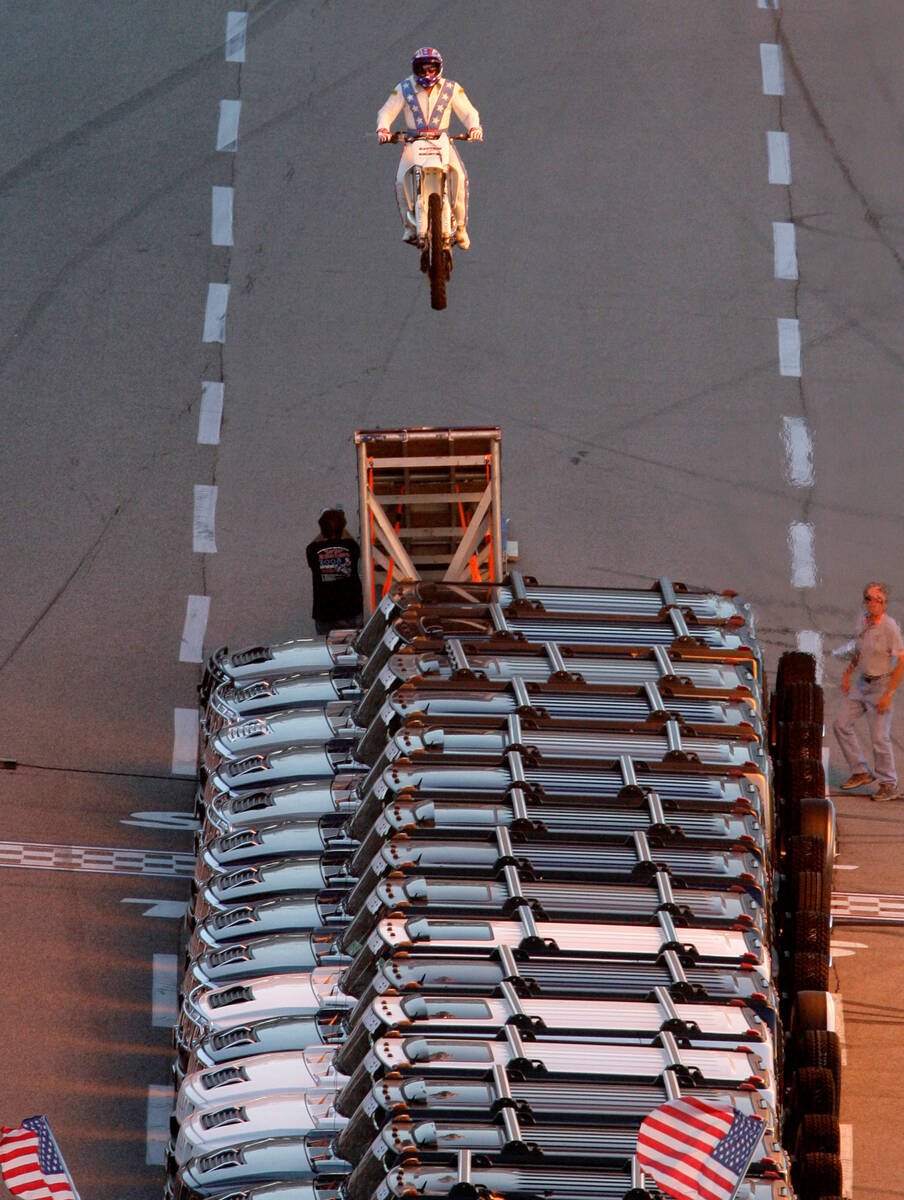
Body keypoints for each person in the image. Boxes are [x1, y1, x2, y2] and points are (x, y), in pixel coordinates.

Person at [376, 46, 482, 249]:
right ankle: (409, 226)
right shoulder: (404, 88)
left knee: (460, 178)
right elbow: (387, 111)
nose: (427, 74)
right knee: (400, 180)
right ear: (415, 69)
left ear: (438, 69)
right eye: (422, 69)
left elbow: (468, 112)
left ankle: (460, 228)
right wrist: (383, 129)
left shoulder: (451, 88)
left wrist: (474, 127)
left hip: (442, 141)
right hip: (413, 142)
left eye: (431, 69)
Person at [833, 581, 904, 801]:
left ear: (884, 605)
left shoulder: (889, 627)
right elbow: (859, 648)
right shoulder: (863, 620)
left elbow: (901, 661)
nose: (872, 604)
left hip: (881, 685)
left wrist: (888, 694)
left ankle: (888, 783)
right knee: (841, 725)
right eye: (869, 599)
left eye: (878, 601)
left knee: (879, 737)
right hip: (862, 683)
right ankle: (860, 771)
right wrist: (848, 672)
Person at [305, 507, 364, 636]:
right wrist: (340, 527)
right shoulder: (351, 546)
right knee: (353, 650)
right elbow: (353, 542)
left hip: (325, 612)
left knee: (327, 651)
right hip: (351, 610)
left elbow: (316, 541)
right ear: (342, 527)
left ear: (321, 528)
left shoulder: (312, 549)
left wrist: (325, 528)